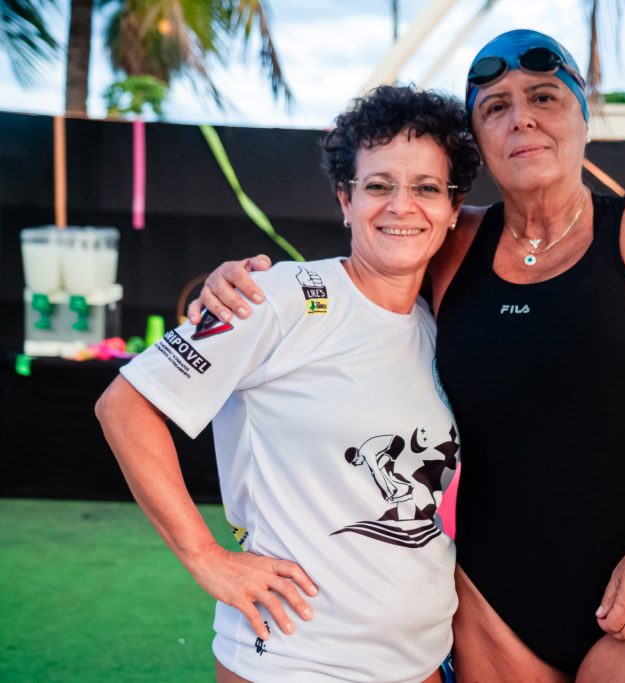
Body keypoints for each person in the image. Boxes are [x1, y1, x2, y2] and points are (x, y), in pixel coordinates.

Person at [192, 29, 625, 683]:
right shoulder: (451, 242)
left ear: (583, 117)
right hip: (494, 599)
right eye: (495, 107)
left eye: (543, 97)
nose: (521, 118)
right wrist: (234, 284)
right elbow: (360, 277)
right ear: (479, 144)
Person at [96, 85, 480, 683]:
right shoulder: (280, 296)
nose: (402, 206)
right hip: (296, 658)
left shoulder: (439, 327)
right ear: (346, 199)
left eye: (427, 188)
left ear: (454, 208)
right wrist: (206, 557)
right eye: (379, 185)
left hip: (423, 658)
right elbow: (125, 405)